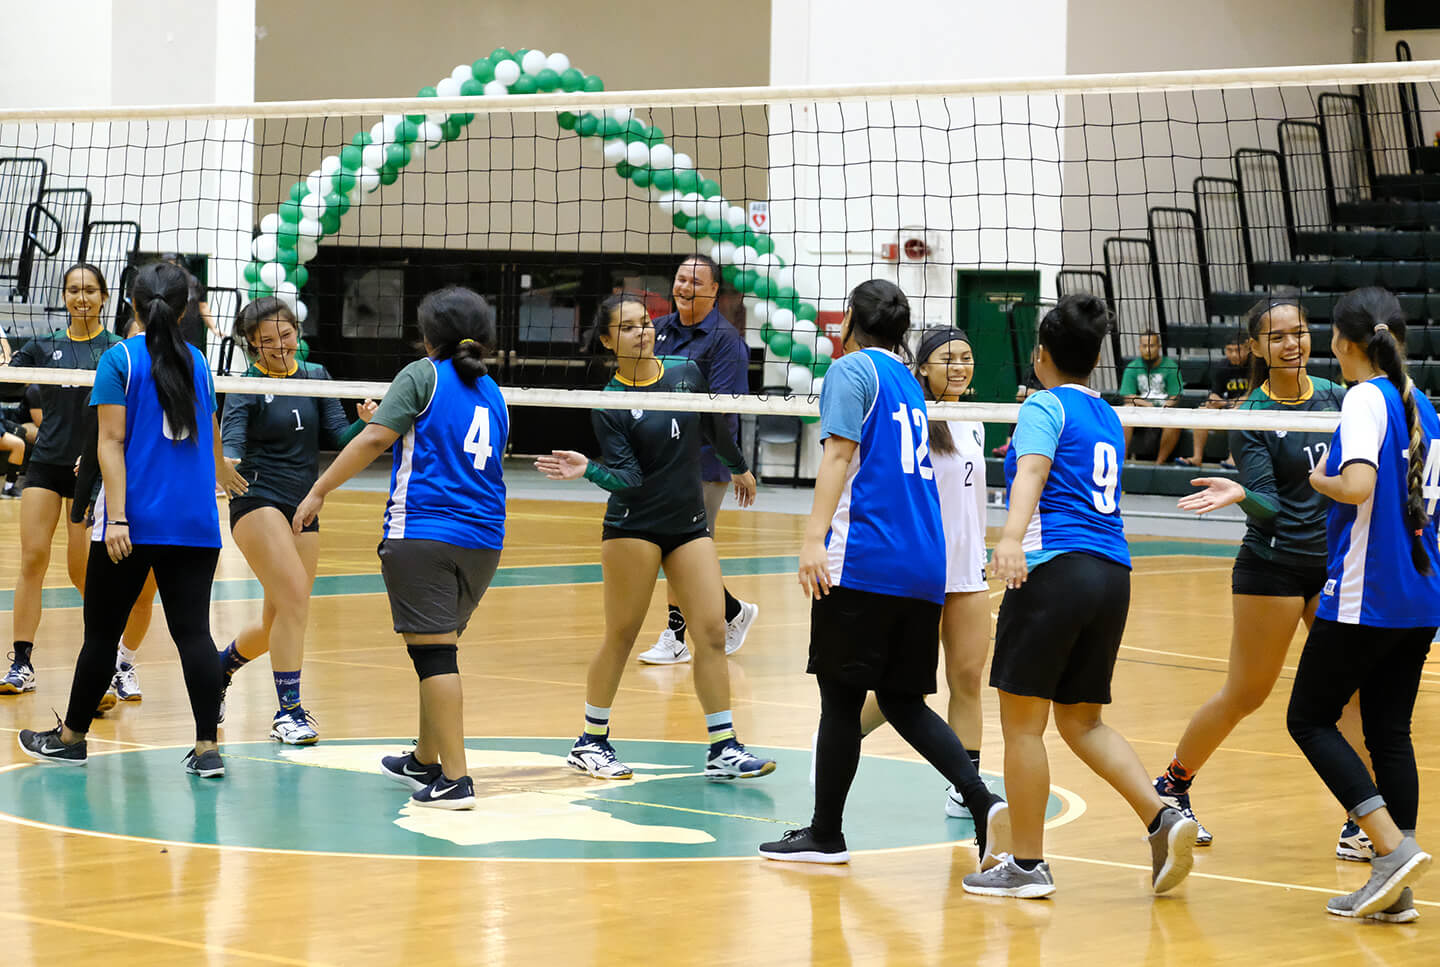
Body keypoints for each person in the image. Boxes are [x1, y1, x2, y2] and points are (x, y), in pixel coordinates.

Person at [759, 281, 1008, 867]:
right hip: (925, 562)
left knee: (841, 702)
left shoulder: (852, 372)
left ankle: (826, 834)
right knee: (901, 700)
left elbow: (840, 455)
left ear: (849, 319)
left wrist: (812, 539)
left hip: (867, 557)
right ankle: (981, 801)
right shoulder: (907, 383)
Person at [962, 295, 1197, 899]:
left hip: (1053, 569)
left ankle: (1027, 864)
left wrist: (1010, 538)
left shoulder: (1043, 405)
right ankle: (1163, 817)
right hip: (1111, 573)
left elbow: (1035, 471)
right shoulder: (1108, 415)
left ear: (1041, 355)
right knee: (1082, 721)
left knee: (1022, 726)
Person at [1155, 298, 1371, 860]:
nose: (1291, 344)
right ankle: (1173, 786)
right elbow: (1270, 508)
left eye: (1298, 333)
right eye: (1277, 338)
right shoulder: (1249, 414)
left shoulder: (1338, 399)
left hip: (1333, 566)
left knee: (1351, 697)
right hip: (1273, 567)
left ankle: (1361, 820)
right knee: (1246, 693)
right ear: (1256, 348)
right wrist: (1241, 495)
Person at [17, 261, 246, 776]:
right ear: (184, 308)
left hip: (132, 522)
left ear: (131, 303)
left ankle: (72, 738)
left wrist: (117, 516)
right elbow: (208, 432)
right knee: (194, 635)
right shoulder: (200, 363)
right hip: (194, 523)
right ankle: (208, 748)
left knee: (101, 633)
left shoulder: (119, 358)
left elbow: (110, 443)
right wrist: (222, 470)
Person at [536, 293, 774, 783]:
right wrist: (590, 470)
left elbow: (713, 425)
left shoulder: (685, 372)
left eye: (645, 323)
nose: (642, 332)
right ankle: (590, 741)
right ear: (607, 341)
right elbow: (629, 477)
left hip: (687, 525)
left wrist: (738, 467)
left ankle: (723, 746)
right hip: (633, 526)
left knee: (709, 632)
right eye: (627, 327)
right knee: (622, 635)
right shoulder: (612, 403)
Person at [295, 287, 507, 810]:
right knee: (435, 650)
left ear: (429, 335)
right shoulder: (494, 392)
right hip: (486, 539)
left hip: (424, 531)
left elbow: (373, 438)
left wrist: (320, 489)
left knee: (434, 656)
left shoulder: (422, 374)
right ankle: (424, 759)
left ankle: (455, 779)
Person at [1286, 287, 1438, 921]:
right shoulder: (1424, 404)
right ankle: (1393, 885)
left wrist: (1317, 479)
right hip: (1422, 593)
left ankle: (1389, 849)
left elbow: (1356, 486)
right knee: (1388, 731)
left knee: (1309, 717)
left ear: (1342, 344)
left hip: (1367, 593)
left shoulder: (1364, 397)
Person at [841, 328, 992, 819]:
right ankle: (843, 734)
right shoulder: (913, 419)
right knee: (901, 689)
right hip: (923, 566)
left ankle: (964, 787)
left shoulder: (975, 420)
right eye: (947, 359)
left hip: (968, 568)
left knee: (967, 677)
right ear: (922, 368)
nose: (959, 367)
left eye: (967, 358)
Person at [216, 297, 373, 744]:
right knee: (295, 602)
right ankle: (289, 712)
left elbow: (338, 436)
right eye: (267, 341)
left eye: (285, 335)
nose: (280, 346)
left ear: (296, 332)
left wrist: (363, 423)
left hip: (303, 504)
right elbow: (231, 446)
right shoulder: (245, 385)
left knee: (280, 620)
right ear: (251, 344)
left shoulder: (316, 376)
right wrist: (224, 466)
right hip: (257, 499)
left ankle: (217, 669)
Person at [2, 264, 151, 700]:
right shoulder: (44, 344)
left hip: (90, 472)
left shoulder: (116, 350)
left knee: (83, 573)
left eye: (89, 290)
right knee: (32, 558)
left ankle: (112, 662)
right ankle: (22, 662)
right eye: (72, 290)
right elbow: (8, 376)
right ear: (64, 297)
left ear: (104, 297)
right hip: (46, 465)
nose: (80, 297)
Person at [638, 254, 760, 664]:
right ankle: (732, 612)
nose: (684, 287)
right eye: (679, 278)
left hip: (704, 462)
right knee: (678, 550)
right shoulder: (656, 331)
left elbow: (720, 411)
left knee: (682, 547)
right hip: (660, 460)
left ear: (713, 291)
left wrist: (738, 465)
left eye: (695, 281)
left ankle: (675, 637)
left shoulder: (726, 342)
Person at [1120, 330, 1182, 464]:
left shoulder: (1170, 367)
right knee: (1126, 409)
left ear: (1159, 347)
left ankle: (1158, 464)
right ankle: (1121, 461)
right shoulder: (1132, 367)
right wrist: (1146, 405)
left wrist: (1165, 407)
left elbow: (1175, 396)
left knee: (1174, 418)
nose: (1147, 350)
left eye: (1151, 346)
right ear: (1139, 347)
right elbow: (1128, 396)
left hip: (1163, 411)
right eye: (1144, 346)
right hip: (1142, 411)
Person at [1187, 335, 1250, 468]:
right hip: (1230, 406)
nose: (1233, 354)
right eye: (1229, 350)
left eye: (1237, 350)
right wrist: (1221, 402)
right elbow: (1214, 395)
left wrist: (1225, 403)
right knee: (1201, 411)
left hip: (1250, 410)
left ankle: (1233, 459)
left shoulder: (1255, 365)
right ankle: (1197, 457)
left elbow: (1252, 397)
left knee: (1237, 411)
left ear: (1247, 349)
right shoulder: (1222, 366)